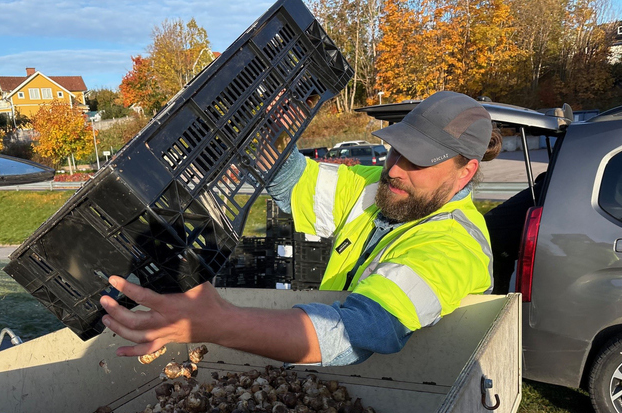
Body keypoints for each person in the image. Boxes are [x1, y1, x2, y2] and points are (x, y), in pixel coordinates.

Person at [100, 91, 501, 366]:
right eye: (397, 149)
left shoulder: (453, 245)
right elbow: (290, 180)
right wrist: (275, 128)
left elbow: (356, 333)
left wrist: (220, 323)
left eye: (419, 161)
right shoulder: (374, 186)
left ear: (466, 173)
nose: (394, 168)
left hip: (418, 393)